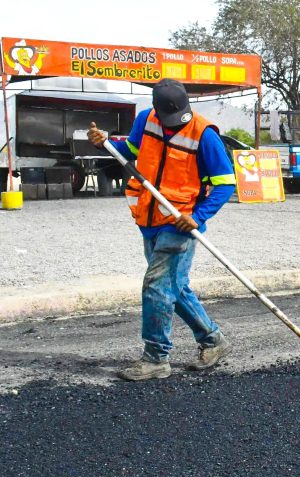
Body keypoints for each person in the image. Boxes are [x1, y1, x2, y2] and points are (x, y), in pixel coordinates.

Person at [88, 79, 237, 381]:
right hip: (149, 218)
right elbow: (131, 150)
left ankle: (156, 358)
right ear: (156, 109)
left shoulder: (204, 134)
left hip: (180, 223)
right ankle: (213, 340)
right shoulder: (146, 120)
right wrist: (105, 142)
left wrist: (198, 216)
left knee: (156, 287)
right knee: (174, 287)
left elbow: (225, 183)